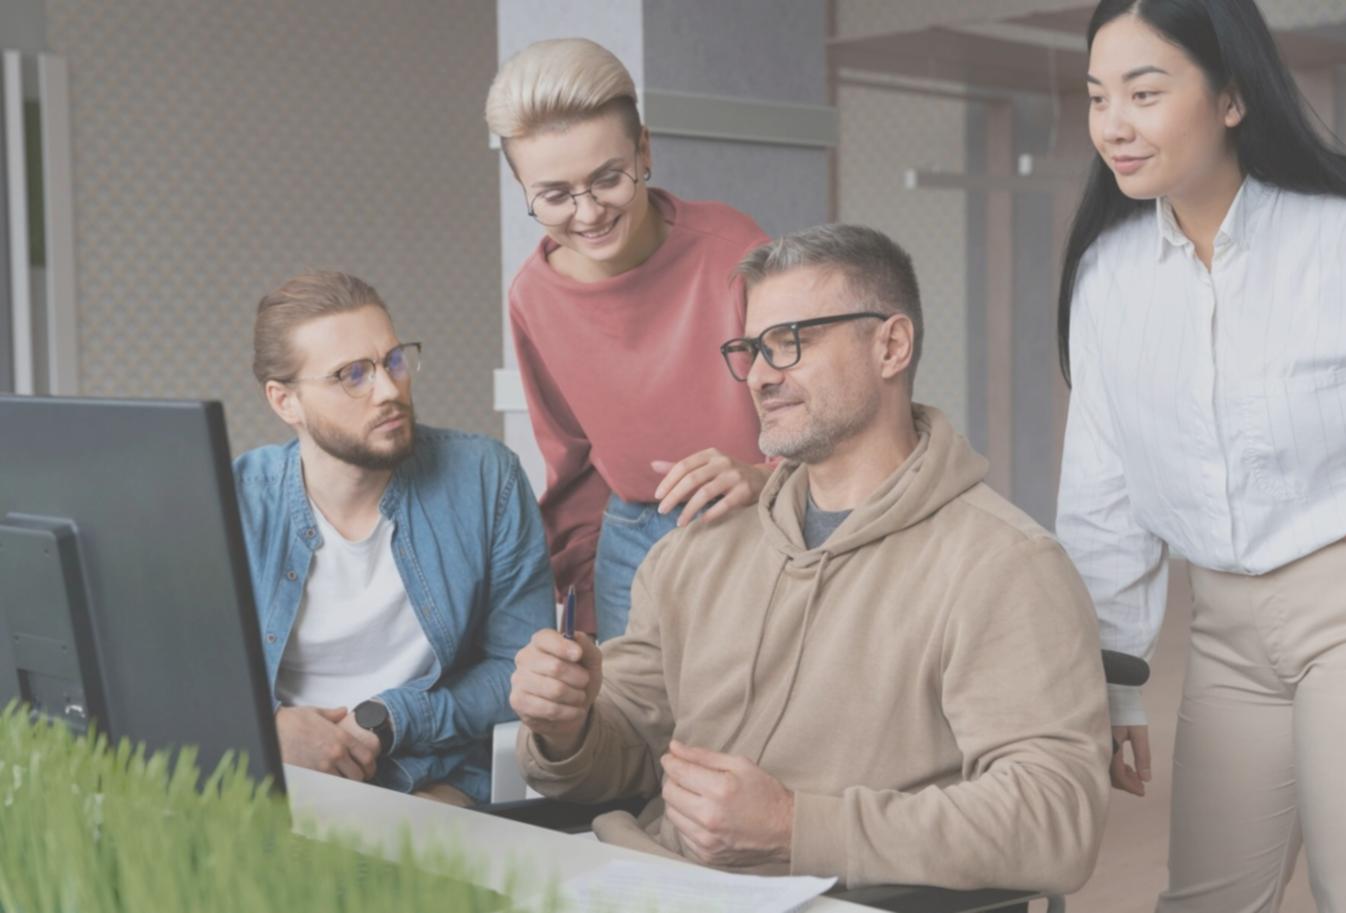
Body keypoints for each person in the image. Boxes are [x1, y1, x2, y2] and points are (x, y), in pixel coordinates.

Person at [1055, 1, 1346, 910]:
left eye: (1144, 92)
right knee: (1205, 898)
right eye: (1096, 95)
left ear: (1231, 98)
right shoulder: (1108, 275)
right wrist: (1112, 680)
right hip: (1223, 629)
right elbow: (1101, 490)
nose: (1114, 124)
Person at [508, 225, 1111, 893]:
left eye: (791, 341)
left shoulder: (1003, 566)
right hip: (643, 880)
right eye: (752, 349)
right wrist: (567, 725)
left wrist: (798, 826)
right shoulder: (691, 553)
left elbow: (1056, 819)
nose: (763, 374)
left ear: (890, 345)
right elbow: (622, 752)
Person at [484, 38, 771, 639]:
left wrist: (766, 479)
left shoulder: (735, 248)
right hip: (629, 541)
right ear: (523, 189)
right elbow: (572, 465)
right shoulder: (532, 298)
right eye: (556, 195)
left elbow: (817, 406)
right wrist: (580, 604)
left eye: (607, 179)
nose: (587, 213)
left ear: (643, 151)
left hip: (757, 527)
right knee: (632, 730)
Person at [235, 271, 554, 805]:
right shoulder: (238, 500)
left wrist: (388, 719)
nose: (388, 390)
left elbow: (521, 670)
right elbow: (172, 676)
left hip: (435, 765)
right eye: (350, 375)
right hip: (282, 772)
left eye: (394, 361)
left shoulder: (485, 478)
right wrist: (268, 728)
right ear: (284, 401)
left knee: (404, 875)